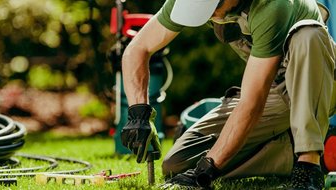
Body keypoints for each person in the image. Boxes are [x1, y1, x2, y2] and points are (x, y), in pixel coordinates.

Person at [120, 0, 336, 189]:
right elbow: (136, 49)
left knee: (309, 34)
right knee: (177, 164)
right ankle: (311, 146)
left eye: (212, 6)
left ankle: (309, 163)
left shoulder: (273, 5)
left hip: (317, 85)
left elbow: (252, 103)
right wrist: (138, 113)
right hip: (273, 92)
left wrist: (207, 169)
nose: (210, 14)